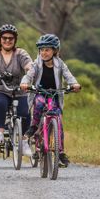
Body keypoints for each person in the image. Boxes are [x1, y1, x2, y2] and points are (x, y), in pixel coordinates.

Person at [20, 34, 81, 167]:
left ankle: (60, 152)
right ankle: (34, 128)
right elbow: (28, 75)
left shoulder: (60, 64)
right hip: (39, 93)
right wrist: (25, 83)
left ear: (55, 51)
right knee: (39, 104)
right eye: (41, 50)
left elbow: (68, 76)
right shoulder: (36, 64)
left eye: (47, 50)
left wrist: (74, 84)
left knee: (57, 119)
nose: (44, 53)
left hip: (54, 95)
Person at [0, 24, 33, 155]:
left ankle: (24, 142)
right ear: (0, 39)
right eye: (4, 38)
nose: (7, 40)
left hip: (18, 90)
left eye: (11, 38)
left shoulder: (21, 53)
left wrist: (30, 70)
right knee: (1, 103)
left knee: (26, 111)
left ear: (15, 40)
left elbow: (29, 65)